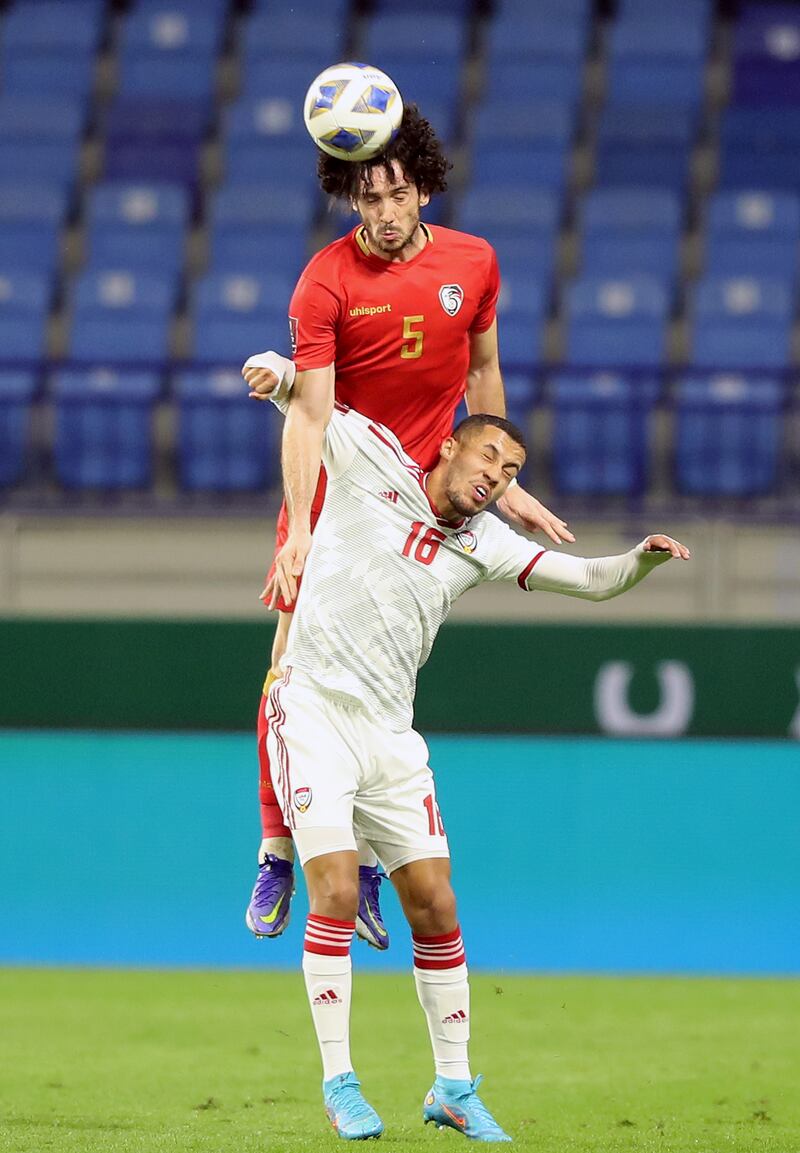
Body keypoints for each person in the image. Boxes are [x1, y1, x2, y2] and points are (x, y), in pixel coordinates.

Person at [255, 351, 690, 1142]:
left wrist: (640, 560)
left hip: (391, 735)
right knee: (339, 895)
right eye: (489, 453)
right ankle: (341, 1082)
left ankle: (453, 1085)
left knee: (436, 903)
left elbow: (588, 579)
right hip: (313, 708)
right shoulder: (374, 460)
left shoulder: (484, 542)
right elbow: (306, 399)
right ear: (451, 445)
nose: (497, 473)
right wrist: (273, 370)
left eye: (512, 468)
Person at [244, 103, 574, 947]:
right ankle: (278, 848)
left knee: (385, 673)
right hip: (342, 484)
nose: (384, 213)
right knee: (289, 665)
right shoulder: (325, 280)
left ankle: (365, 866)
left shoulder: (475, 262)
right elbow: (310, 415)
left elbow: (486, 368)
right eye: (366, 199)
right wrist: (297, 531)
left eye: (395, 194)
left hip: (426, 487)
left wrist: (496, 481)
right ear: (349, 199)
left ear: (423, 186)